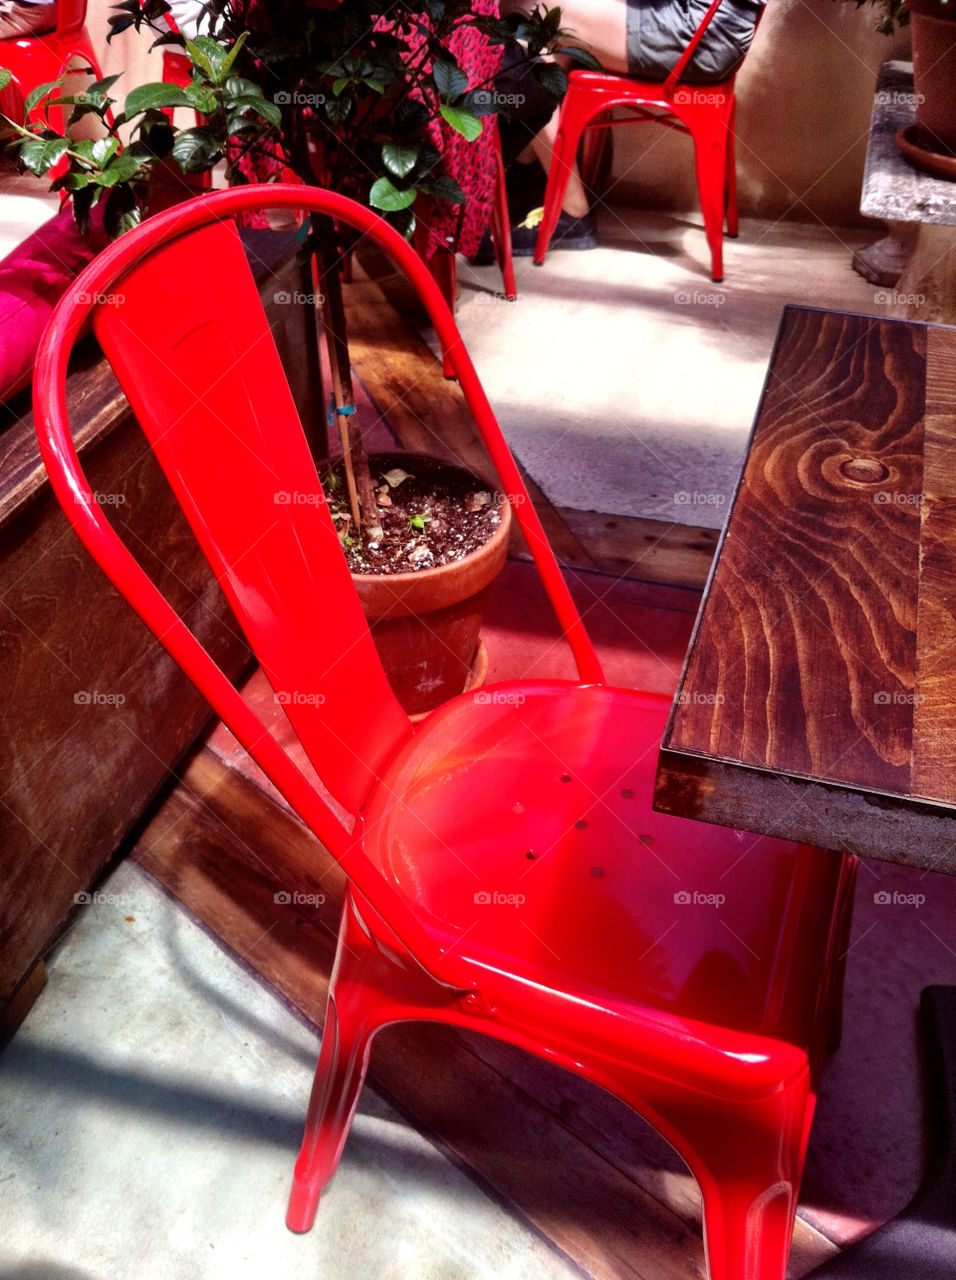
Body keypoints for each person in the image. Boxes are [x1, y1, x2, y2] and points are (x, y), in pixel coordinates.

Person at [492, 0, 765, 254]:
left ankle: (548, 195)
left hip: (701, 33)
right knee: (547, 40)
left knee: (530, 7)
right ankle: (530, 167)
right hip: (717, 27)